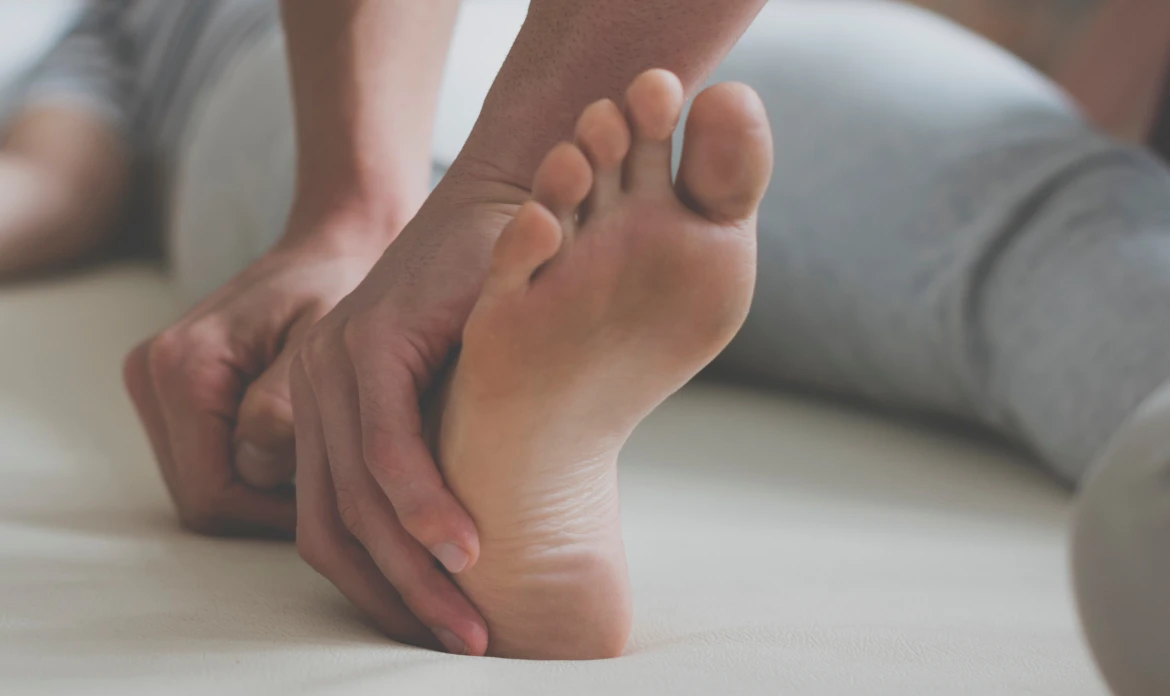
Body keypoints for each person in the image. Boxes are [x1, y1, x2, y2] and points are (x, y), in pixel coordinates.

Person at [0, 0, 1166, 687]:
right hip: (614, 52)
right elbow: (53, 177)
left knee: (369, 281)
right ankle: (479, 391)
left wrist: (378, 208)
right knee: (1029, 222)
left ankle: (469, 412)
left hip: (675, 36)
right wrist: (363, 207)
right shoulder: (102, 19)